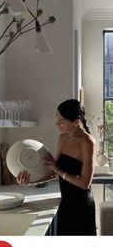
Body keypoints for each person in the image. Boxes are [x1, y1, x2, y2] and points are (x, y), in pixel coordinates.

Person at [17, 99, 97, 235]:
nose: (57, 124)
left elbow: (84, 183)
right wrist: (31, 181)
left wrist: (58, 170)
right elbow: (55, 170)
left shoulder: (88, 142)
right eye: (57, 120)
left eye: (62, 122)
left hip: (82, 205)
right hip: (65, 203)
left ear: (76, 122)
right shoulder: (62, 138)